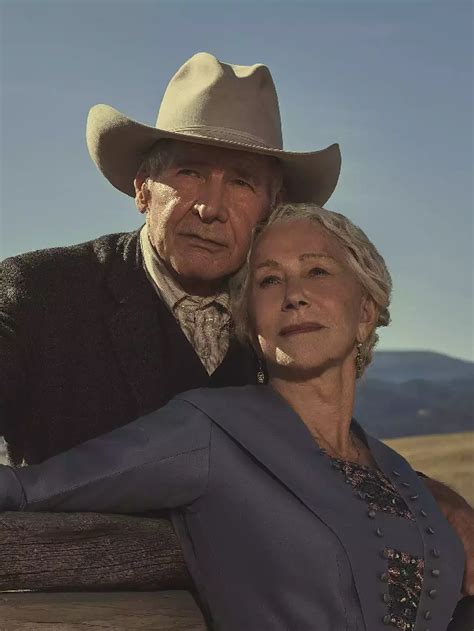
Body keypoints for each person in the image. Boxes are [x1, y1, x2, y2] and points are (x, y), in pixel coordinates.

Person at [0, 51, 472, 594]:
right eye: (190, 172)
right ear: (143, 187)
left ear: (271, 207)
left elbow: (320, 443)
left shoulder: (283, 320)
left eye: (242, 183)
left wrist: (426, 493)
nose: (211, 208)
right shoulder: (40, 291)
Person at [1, 204, 466, 630]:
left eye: (317, 271)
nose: (294, 295)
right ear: (250, 319)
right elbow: (31, 489)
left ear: (365, 311)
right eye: (269, 280)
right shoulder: (207, 430)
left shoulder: (396, 471)